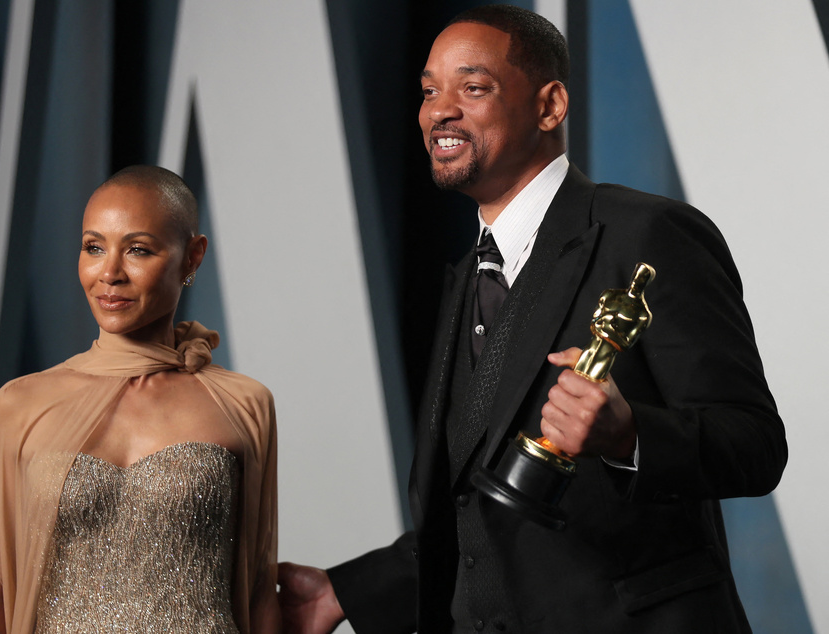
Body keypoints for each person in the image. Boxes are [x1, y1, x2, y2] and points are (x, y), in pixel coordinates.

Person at [277, 5, 786, 633]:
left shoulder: (646, 232)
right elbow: (479, 505)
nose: (439, 110)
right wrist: (344, 592)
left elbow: (756, 446)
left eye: (473, 87)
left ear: (550, 107)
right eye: (429, 90)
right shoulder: (467, 275)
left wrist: (630, 437)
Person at [0, 165, 280, 633]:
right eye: (93, 247)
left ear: (192, 257)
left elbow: (259, 587)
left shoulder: (242, 404)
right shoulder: (21, 404)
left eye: (138, 250)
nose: (109, 273)